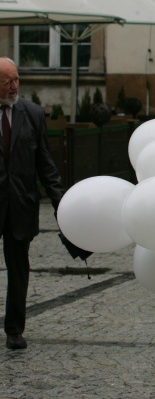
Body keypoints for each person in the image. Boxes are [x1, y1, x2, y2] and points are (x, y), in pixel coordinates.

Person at [0, 57, 66, 350]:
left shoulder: (33, 113)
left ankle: (15, 328)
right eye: (7, 81)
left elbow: (45, 164)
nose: (14, 86)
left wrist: (60, 203)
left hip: (20, 207)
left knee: (19, 270)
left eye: (16, 79)